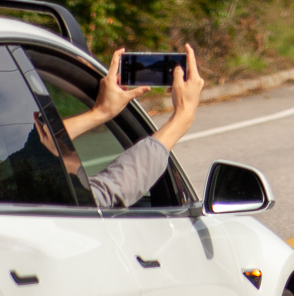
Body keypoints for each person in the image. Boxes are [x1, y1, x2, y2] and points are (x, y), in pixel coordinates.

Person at [43, 45, 206, 208]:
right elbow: (104, 194)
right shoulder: (56, 199)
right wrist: (183, 117)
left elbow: (42, 140)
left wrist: (101, 112)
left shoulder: (33, 188)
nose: (70, 150)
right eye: (62, 154)